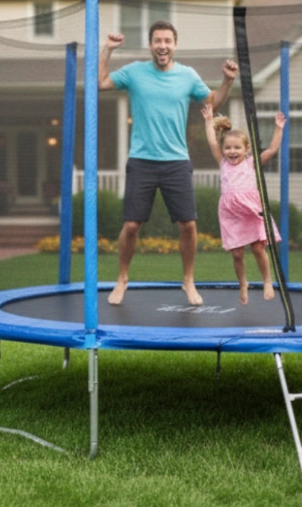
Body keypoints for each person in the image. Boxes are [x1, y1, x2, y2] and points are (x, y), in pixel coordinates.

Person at [99, 20, 237, 306]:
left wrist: (227, 81)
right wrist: (108, 49)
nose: (162, 46)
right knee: (131, 226)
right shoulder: (134, 72)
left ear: (175, 45)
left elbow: (213, 103)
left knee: (188, 225)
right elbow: (101, 83)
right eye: (157, 41)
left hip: (177, 161)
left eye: (167, 41)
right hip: (142, 161)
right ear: (150, 45)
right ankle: (122, 279)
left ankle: (188, 281)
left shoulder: (187, 76)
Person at [201, 103, 286, 305]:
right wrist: (208, 121)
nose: (232, 151)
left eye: (237, 148)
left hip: (250, 209)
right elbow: (212, 141)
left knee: (258, 247)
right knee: (237, 253)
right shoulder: (222, 162)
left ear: (246, 149)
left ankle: (267, 280)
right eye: (228, 148)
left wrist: (278, 128)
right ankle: (243, 284)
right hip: (230, 212)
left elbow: (272, 150)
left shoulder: (251, 163)